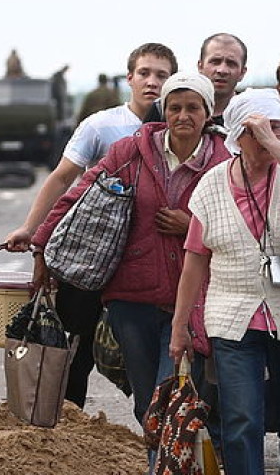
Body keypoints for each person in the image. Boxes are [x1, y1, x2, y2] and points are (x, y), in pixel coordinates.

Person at [31, 72, 230, 469]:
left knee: (170, 394)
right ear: (164, 111)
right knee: (147, 403)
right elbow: (78, 194)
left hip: (192, 301)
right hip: (131, 297)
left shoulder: (224, 163)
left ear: (208, 114)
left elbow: (239, 225)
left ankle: (166, 466)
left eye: (193, 108)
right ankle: (164, 460)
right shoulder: (131, 152)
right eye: (175, 107)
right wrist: (40, 244)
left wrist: (191, 225)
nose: (183, 116)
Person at [6, 42, 177, 409]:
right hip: (90, 259)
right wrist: (31, 229)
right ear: (129, 77)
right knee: (74, 355)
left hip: (144, 264)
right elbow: (61, 179)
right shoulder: (102, 125)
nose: (152, 82)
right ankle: (68, 435)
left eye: (161, 75)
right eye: (144, 73)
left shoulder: (180, 128)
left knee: (143, 364)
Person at [168, 88, 280, 475]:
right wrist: (179, 327)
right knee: (242, 423)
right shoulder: (211, 184)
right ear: (238, 135)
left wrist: (275, 143)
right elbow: (195, 261)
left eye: (278, 128)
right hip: (233, 318)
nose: (268, 139)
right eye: (259, 131)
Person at [144, 33, 247, 125]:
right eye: (215, 61)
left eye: (231, 63)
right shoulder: (162, 108)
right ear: (200, 66)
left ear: (242, 72)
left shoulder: (249, 113)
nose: (222, 70)